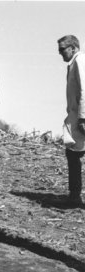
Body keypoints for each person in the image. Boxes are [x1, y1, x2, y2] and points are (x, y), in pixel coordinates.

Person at [58, 35, 85, 207]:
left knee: (74, 154)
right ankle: (74, 195)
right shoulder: (74, 63)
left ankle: (75, 196)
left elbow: (84, 88)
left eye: (62, 49)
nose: (60, 53)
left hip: (80, 116)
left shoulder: (80, 61)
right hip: (76, 115)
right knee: (73, 154)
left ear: (73, 47)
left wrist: (83, 117)